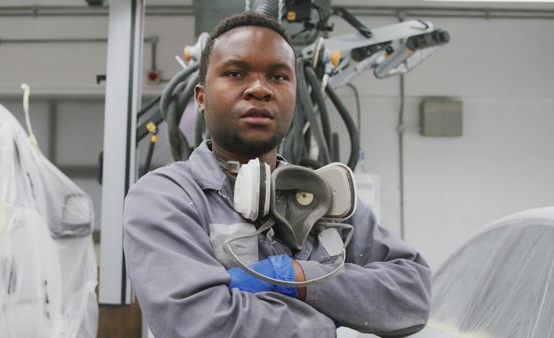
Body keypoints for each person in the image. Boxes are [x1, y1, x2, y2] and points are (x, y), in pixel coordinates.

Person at [124, 12, 431, 338]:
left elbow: (411, 297)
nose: (259, 89)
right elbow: (195, 325)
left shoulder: (323, 199)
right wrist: (328, 322)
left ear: (294, 94)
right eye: (235, 73)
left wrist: (294, 276)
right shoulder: (167, 197)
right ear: (201, 98)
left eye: (278, 77)